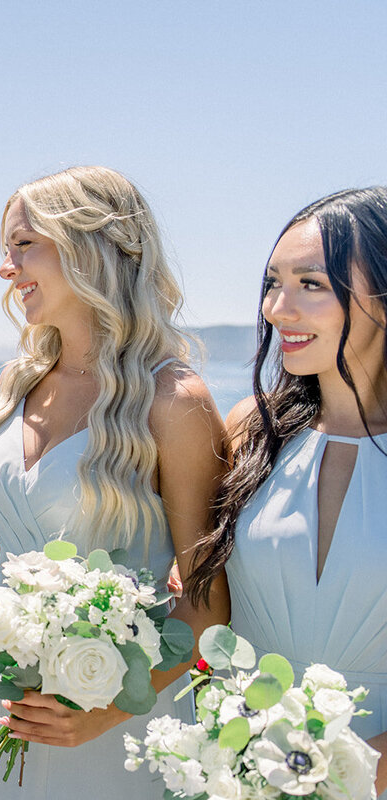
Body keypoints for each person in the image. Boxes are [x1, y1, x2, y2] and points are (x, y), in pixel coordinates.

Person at [0, 166, 229, 798]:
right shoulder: (17, 387)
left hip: (120, 731)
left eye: (24, 244)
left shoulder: (171, 399)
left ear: (88, 245)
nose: (7, 267)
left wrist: (109, 710)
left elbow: (208, 602)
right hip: (4, 713)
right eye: (7, 249)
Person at [188, 187, 387, 797]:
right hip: (239, 769)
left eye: (311, 284)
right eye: (273, 283)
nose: (276, 308)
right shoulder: (254, 429)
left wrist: (356, 774)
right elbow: (201, 605)